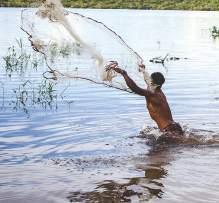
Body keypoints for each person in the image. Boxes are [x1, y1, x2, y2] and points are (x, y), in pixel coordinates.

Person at [106, 61, 184, 144]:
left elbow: (135, 88)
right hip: (174, 127)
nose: (149, 81)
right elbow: (148, 80)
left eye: (150, 80)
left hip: (168, 131)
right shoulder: (159, 92)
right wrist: (143, 70)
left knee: (156, 155)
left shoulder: (151, 94)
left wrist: (124, 74)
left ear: (152, 82)